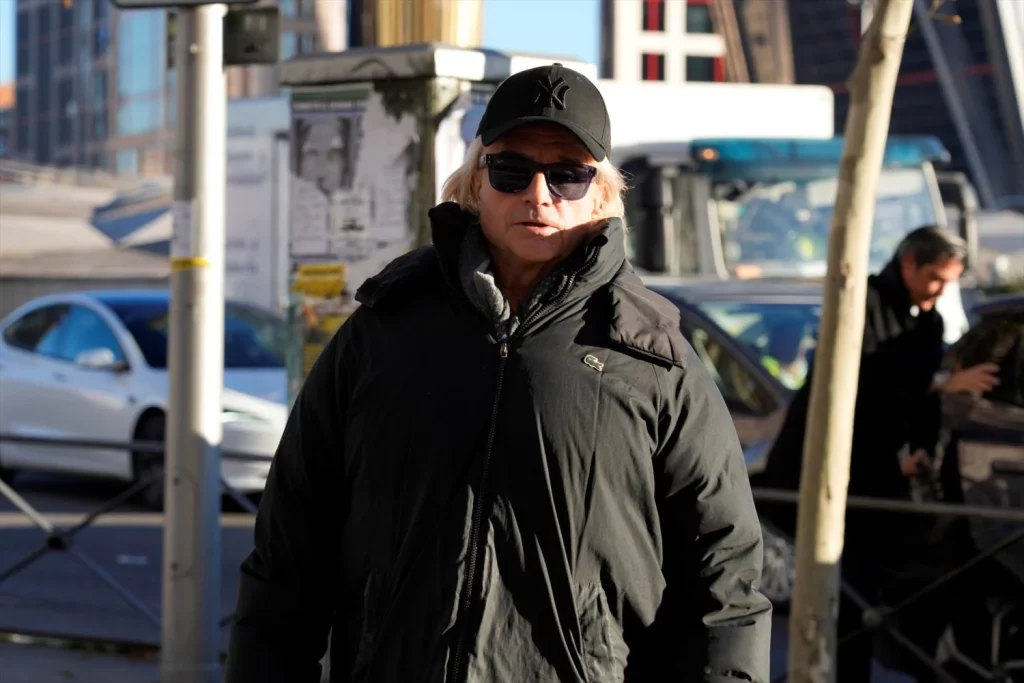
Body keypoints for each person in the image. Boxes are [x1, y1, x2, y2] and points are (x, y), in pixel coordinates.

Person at [225, 63, 772, 683]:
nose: (538, 195)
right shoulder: (383, 332)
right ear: (475, 183)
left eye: (567, 175)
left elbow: (724, 581)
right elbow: (289, 546)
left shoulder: (651, 356)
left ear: (602, 194)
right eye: (512, 170)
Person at [754, 226, 1000, 683]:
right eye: (935, 278)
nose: (940, 291)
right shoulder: (861, 305)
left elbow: (915, 407)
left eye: (949, 283)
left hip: (879, 478)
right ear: (909, 264)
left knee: (868, 595)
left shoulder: (927, 322)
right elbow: (866, 382)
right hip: (829, 471)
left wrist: (919, 451)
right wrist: (942, 384)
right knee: (843, 590)